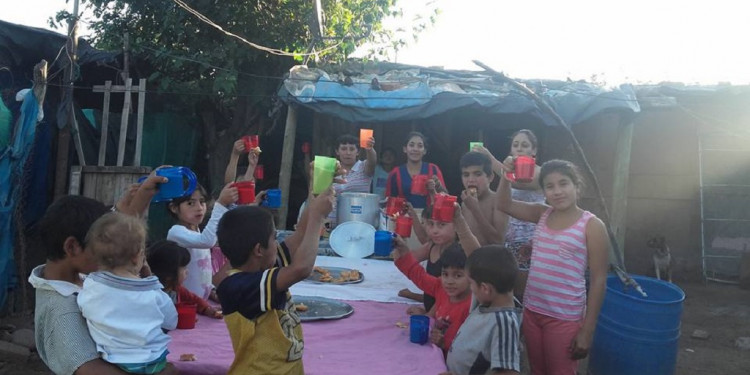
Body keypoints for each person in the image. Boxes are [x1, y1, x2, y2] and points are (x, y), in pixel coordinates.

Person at [28, 177, 178, 375]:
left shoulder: (80, 277)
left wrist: (143, 195)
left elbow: (120, 238)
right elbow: (90, 369)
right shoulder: (61, 310)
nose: (113, 255)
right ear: (72, 247)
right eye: (103, 251)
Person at [496, 159, 608, 375]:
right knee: (537, 370)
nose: (557, 191)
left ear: (577, 186)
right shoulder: (542, 214)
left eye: (563, 183)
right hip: (533, 311)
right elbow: (504, 204)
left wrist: (587, 330)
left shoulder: (592, 225)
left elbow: (599, 280)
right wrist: (505, 176)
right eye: (550, 186)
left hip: (564, 317)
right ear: (544, 192)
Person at [215, 186, 335, 375]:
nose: (278, 243)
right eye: (274, 238)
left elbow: (301, 234)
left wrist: (315, 192)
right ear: (258, 250)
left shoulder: (262, 265)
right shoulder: (238, 286)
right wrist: (318, 218)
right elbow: (301, 268)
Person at [77, 213, 177, 374]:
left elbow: (83, 307)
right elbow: (171, 322)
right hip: (153, 363)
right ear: (137, 256)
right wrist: (150, 278)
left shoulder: (90, 286)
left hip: (113, 363)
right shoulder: (152, 293)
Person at [475, 129, 543, 299]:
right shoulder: (508, 175)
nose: (519, 148)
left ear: (533, 151)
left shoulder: (540, 173)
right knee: (509, 287)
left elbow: (521, 181)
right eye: (515, 145)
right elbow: (501, 200)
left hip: (532, 240)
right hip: (510, 237)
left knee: (526, 291)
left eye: (525, 145)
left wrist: (490, 158)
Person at [443, 245, 522, 375]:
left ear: (485, 288)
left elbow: (508, 372)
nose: (471, 288)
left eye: (471, 283)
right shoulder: (490, 300)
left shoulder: (504, 323)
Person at [393, 241, 472, 355]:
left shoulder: (471, 307)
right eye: (445, 274)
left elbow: (468, 347)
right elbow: (420, 277)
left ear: (472, 276)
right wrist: (404, 252)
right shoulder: (441, 287)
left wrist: (444, 344)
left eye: (458, 275)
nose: (449, 281)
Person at [166, 182, 237, 300]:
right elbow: (207, 241)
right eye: (190, 203)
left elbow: (203, 272)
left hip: (201, 303)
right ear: (174, 208)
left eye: (202, 201)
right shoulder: (176, 233)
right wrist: (221, 204)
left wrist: (212, 290)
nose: (199, 208)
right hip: (184, 304)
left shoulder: (197, 231)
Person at [147, 240, 223, 319]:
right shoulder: (154, 294)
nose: (187, 271)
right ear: (168, 275)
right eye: (183, 268)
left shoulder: (177, 288)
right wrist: (182, 318)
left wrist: (206, 309)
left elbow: (193, 299)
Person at [386, 131, 446, 209]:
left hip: (428, 219)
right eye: (411, 145)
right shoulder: (396, 173)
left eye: (420, 146)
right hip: (404, 219)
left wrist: (437, 187)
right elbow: (389, 201)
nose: (415, 149)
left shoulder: (433, 169)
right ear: (405, 149)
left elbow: (445, 196)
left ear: (424, 151)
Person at [327, 134, 377, 226]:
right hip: (331, 223)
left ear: (357, 152)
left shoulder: (364, 167)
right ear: (337, 151)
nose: (348, 153)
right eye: (343, 149)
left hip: (358, 223)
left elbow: (372, 161)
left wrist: (369, 149)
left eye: (352, 149)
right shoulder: (331, 170)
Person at [459, 151, 507, 246]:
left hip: (490, 258)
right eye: (466, 175)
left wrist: (475, 210)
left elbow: (498, 241)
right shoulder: (465, 204)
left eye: (477, 174)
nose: (471, 180)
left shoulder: (498, 201)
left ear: (490, 177)